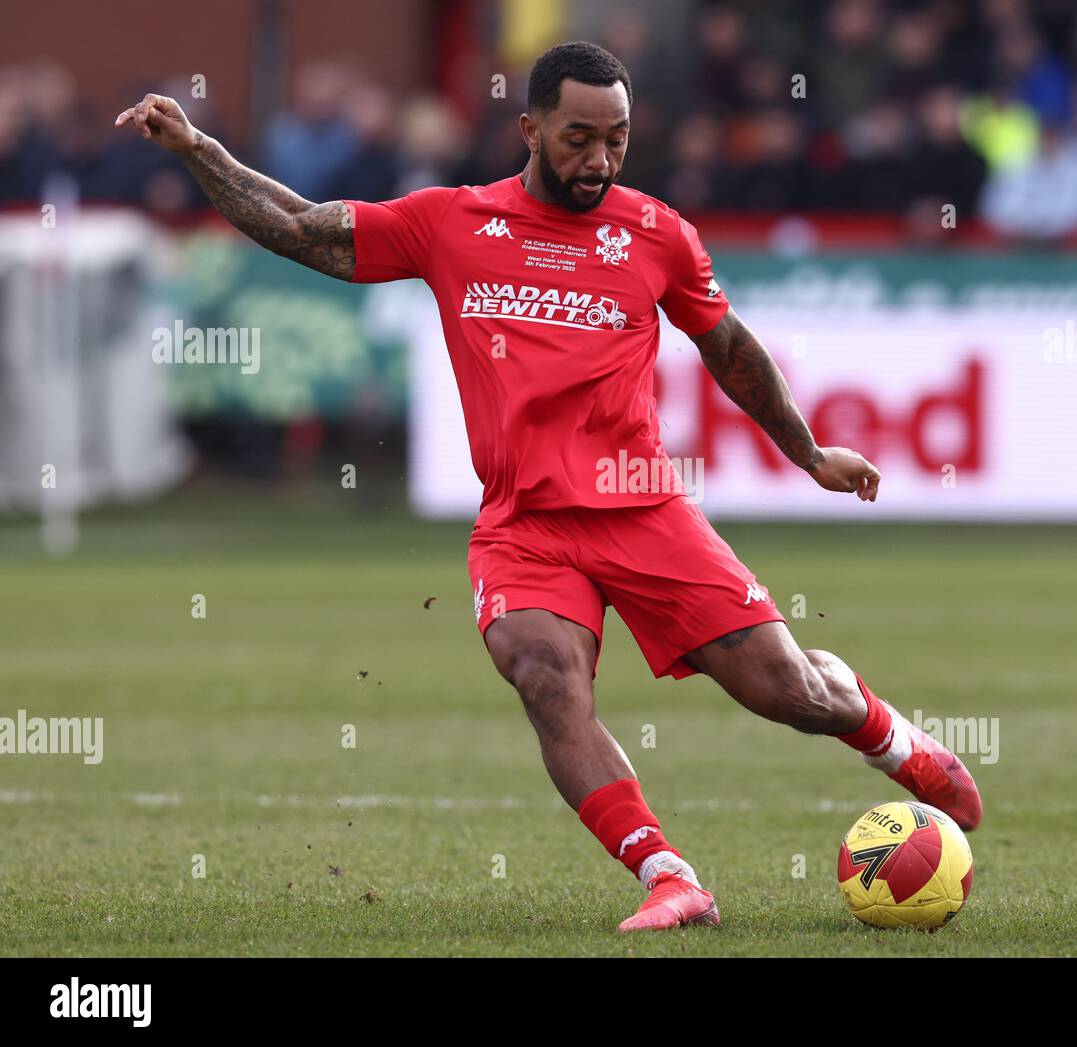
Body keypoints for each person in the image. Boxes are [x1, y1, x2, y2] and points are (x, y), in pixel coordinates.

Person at [115, 40, 981, 933]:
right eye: (578, 139)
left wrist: (807, 453)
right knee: (543, 672)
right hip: (524, 522)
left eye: (617, 140)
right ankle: (668, 876)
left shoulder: (657, 233)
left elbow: (727, 346)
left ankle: (887, 736)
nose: (599, 161)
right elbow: (301, 226)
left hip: (643, 504)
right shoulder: (451, 221)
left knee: (786, 693)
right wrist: (198, 150)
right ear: (529, 128)